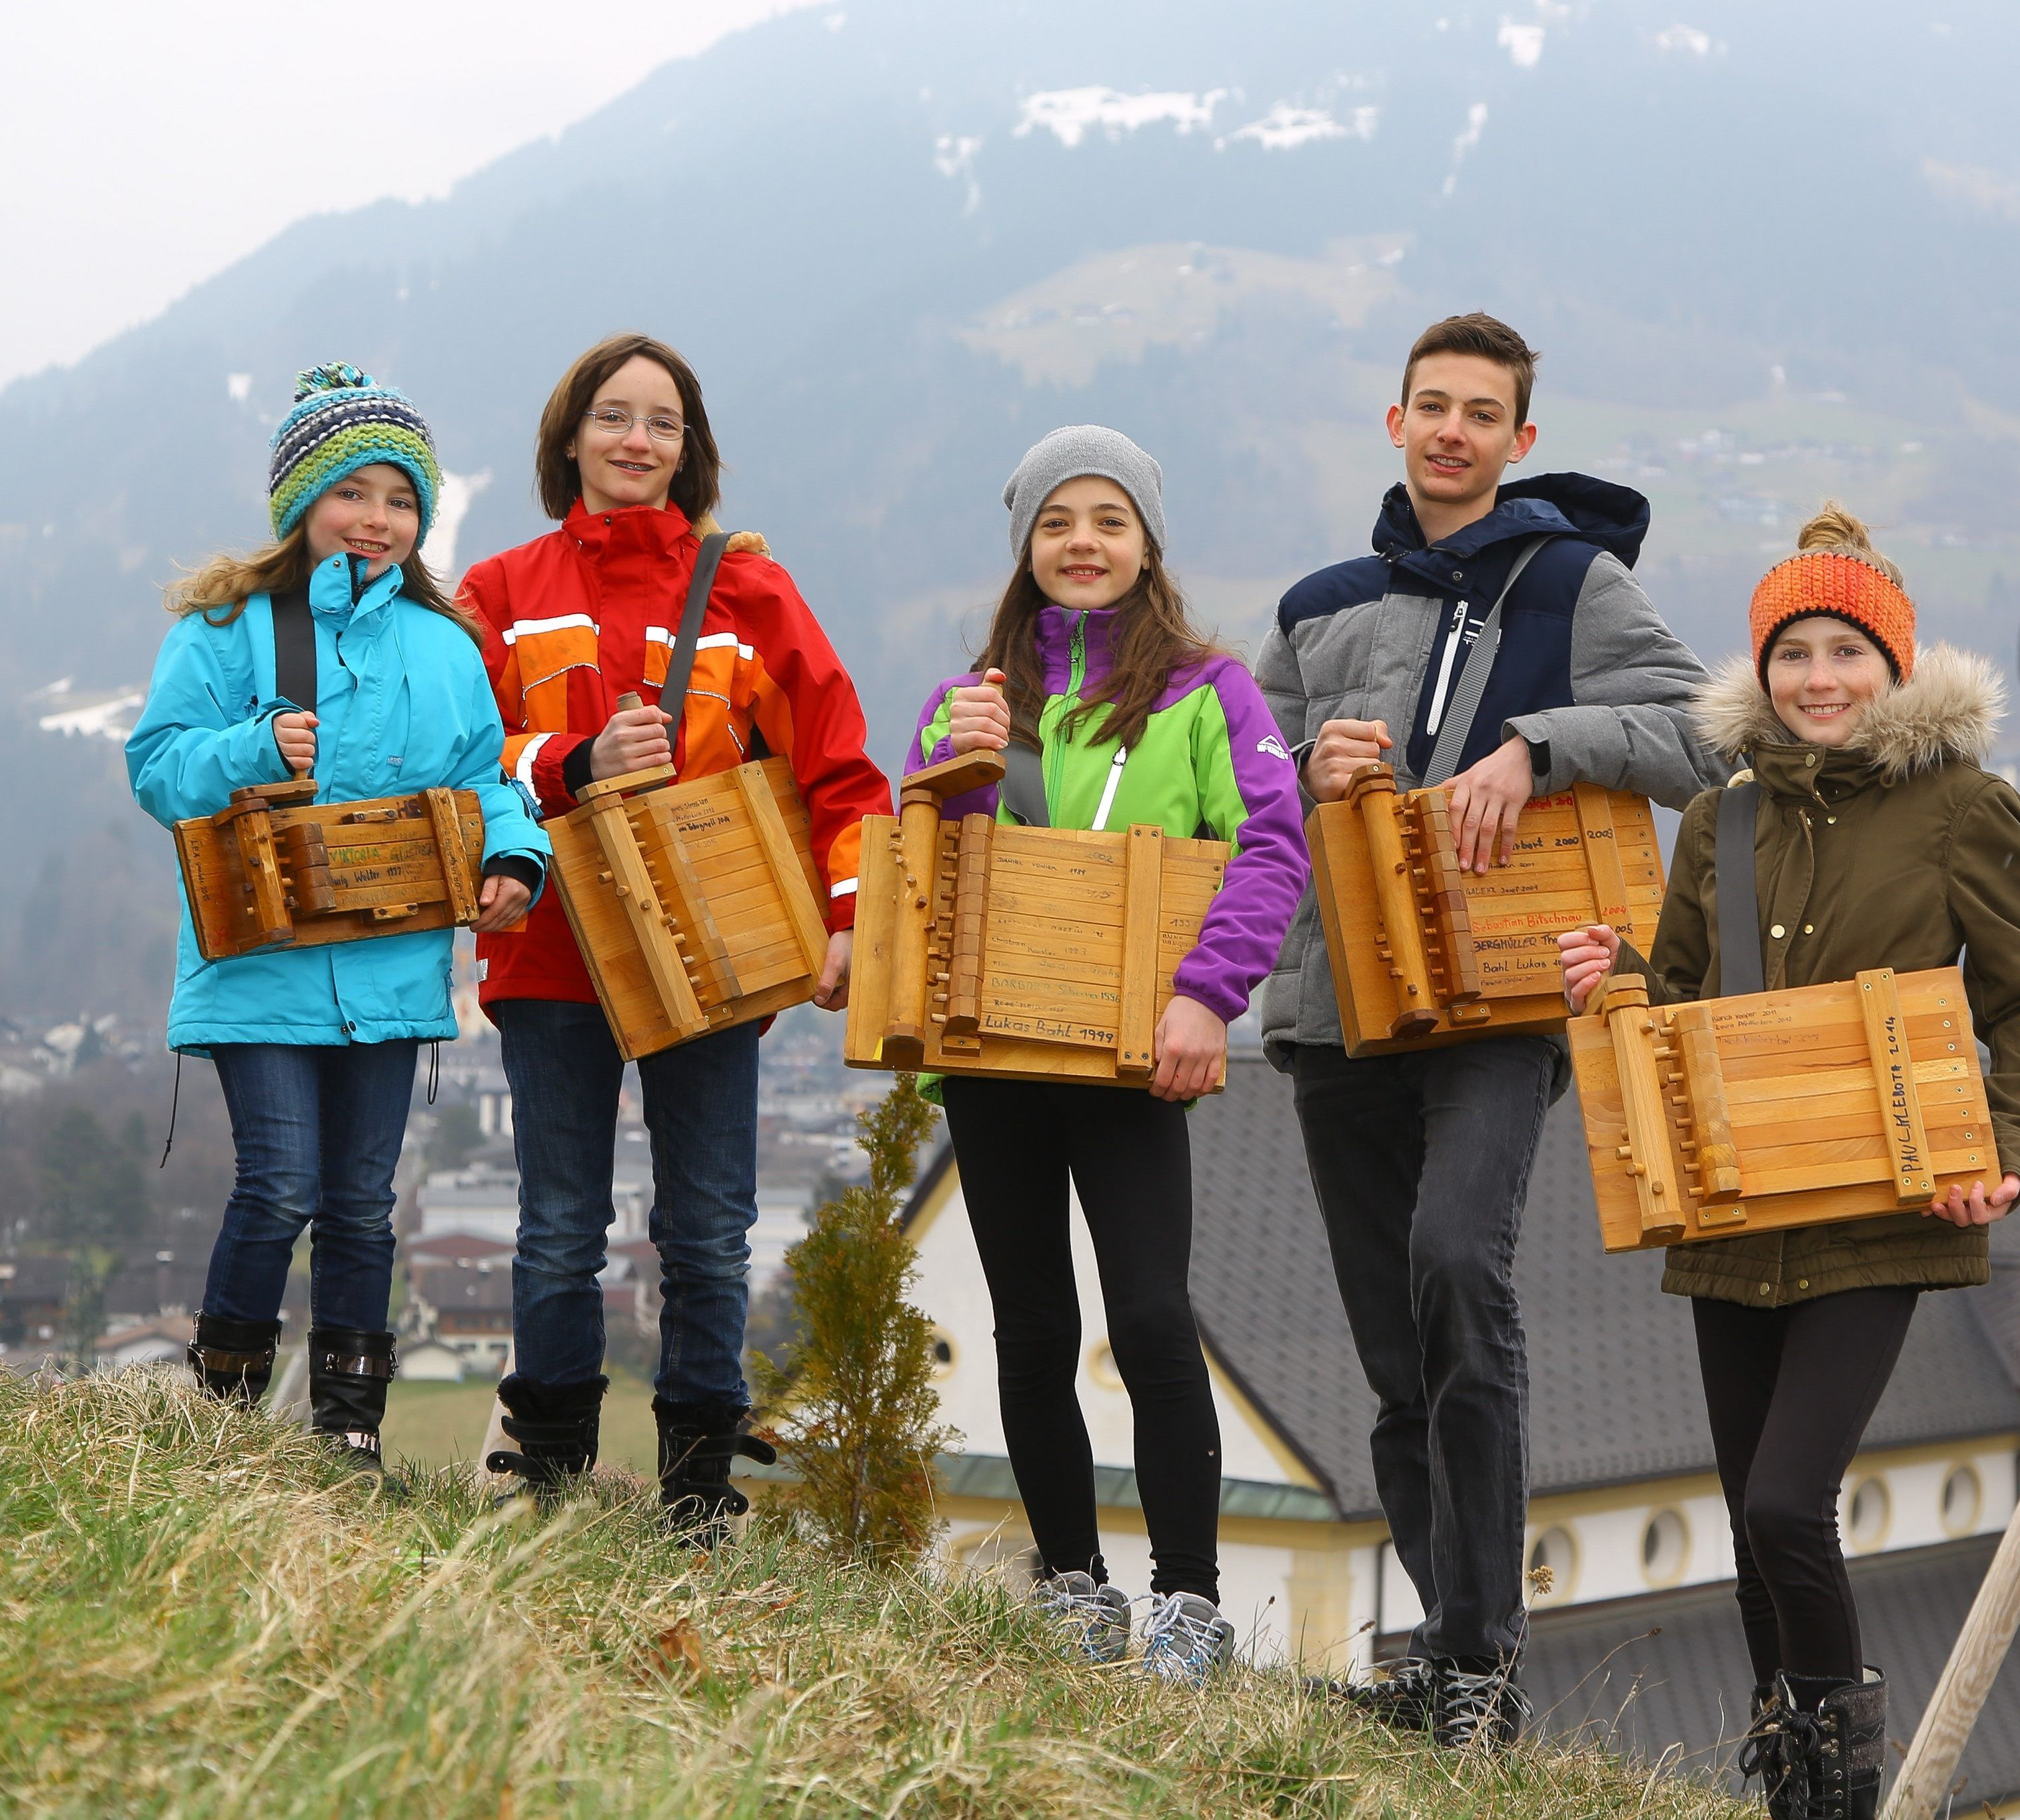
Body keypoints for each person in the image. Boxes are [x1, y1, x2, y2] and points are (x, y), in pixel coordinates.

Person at [1557, 504, 2020, 1819]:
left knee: (1791, 1502)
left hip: (1888, 1207)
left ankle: (1844, 1793)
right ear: (1764, 671)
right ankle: (1786, 1793)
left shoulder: (1965, 808)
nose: (1820, 678)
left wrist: (2005, 1153)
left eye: (1847, 649)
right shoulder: (1718, 822)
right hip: (1733, 1218)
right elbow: (1677, 1009)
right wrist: (1613, 983)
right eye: (1795, 653)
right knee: (1747, 1530)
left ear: (1894, 666)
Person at [1254, 314, 1722, 1747]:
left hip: (1504, 1000)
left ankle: (1485, 1659)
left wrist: (1547, 742)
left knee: (1460, 1265)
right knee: (1395, 1349)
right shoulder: (1317, 606)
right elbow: (1240, 794)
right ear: (1393, 421)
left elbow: (1710, 731)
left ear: (1521, 441)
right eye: (1432, 407)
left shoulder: (1574, 582)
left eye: (1482, 414)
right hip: (1340, 1007)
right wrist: (1306, 764)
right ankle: (1452, 1662)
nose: (1453, 432)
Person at [461, 333, 892, 1543]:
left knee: (706, 1227)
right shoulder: (498, 590)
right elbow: (451, 763)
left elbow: (842, 771)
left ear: (687, 448)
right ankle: (547, 1473)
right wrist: (570, 761)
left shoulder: (752, 588)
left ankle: (697, 1492)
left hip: (718, 950)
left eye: (661, 421)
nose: (636, 439)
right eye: (613, 416)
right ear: (570, 438)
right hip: (551, 947)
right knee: (558, 1226)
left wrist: (851, 920)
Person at [906, 427, 1308, 1683]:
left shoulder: (1210, 694)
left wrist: (1207, 997)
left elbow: (1271, 848)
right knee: (1031, 1325)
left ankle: (1187, 1603)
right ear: (1027, 548)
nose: (1083, 543)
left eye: (1108, 520)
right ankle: (1072, 1588)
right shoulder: (968, 698)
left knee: (1146, 1317)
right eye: (1057, 522)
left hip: (1141, 1050)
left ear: (1147, 542)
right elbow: (935, 878)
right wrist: (953, 769)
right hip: (994, 1052)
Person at [129, 363, 546, 1471]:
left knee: (362, 1206)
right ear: (303, 504)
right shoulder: (226, 629)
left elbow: (485, 780)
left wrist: (515, 854)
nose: (378, 519)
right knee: (279, 1186)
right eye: (353, 492)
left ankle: (347, 1438)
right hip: (257, 965)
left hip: (394, 966)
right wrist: (252, 751)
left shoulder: (446, 646)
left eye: (402, 498)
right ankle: (219, 1436)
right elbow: (159, 772)